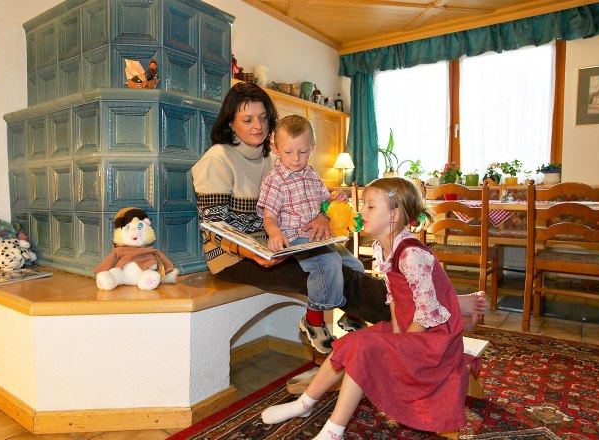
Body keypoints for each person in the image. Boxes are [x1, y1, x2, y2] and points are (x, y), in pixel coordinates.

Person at [191, 82, 485, 338]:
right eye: (247, 119)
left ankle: (422, 311)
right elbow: (214, 228)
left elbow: (307, 201)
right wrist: (250, 252)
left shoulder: (276, 157)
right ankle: (439, 308)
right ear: (231, 123)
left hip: (282, 244)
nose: (257, 125)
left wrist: (321, 216)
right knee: (342, 277)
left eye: (263, 117)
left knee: (350, 263)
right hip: (236, 258)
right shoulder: (218, 159)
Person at [261, 177, 483, 439]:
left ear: (395, 214)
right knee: (350, 343)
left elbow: (425, 313)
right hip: (410, 331)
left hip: (432, 341)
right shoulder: (383, 247)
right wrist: (396, 338)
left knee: (364, 351)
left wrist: (401, 348)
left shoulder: (412, 255)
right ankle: (304, 404)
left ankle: (334, 431)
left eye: (370, 207)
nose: (361, 212)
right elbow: (396, 299)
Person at [258, 114, 365, 354]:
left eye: (302, 152)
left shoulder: (312, 175)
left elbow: (325, 203)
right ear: (276, 149)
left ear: (312, 149)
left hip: (320, 237)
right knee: (328, 260)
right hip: (295, 239)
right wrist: (274, 233)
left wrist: (335, 198)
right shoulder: (274, 181)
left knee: (355, 264)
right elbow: (269, 216)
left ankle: (353, 315)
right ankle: (314, 319)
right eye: (288, 152)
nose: (295, 159)